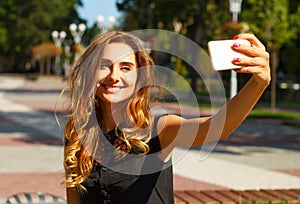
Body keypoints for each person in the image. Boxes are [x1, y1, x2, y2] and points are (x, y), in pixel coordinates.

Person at [59, 30, 270, 204]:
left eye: (126, 68)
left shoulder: (159, 127)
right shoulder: (78, 134)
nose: (114, 76)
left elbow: (214, 127)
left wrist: (258, 83)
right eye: (104, 66)